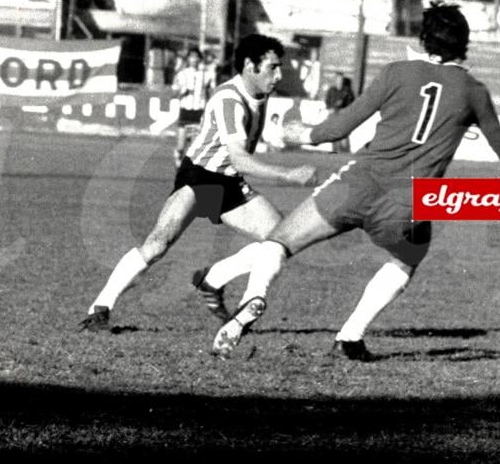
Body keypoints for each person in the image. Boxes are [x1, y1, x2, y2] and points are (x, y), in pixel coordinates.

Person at [210, 3, 500, 361]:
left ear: (424, 40)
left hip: (357, 185)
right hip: (408, 203)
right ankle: (350, 337)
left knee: (280, 241)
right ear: (465, 45)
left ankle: (253, 298)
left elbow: (342, 126)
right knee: (408, 259)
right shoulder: (474, 91)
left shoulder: (397, 73)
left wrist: (302, 135)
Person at [80, 35, 319, 332]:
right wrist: (287, 174)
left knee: (280, 240)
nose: (279, 75)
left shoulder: (258, 92)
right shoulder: (228, 100)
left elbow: (243, 152)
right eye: (272, 67)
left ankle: (214, 278)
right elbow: (240, 158)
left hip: (230, 180)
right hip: (201, 177)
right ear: (249, 65)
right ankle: (100, 308)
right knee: (158, 243)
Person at [173, 47, 210, 164]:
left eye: (196, 57)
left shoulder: (206, 75)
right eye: (191, 57)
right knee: (181, 144)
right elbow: (174, 94)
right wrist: (183, 92)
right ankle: (178, 155)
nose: (194, 59)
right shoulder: (181, 74)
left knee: (195, 145)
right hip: (186, 110)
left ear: (199, 59)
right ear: (188, 59)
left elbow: (210, 94)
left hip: (198, 112)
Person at [323, 72, 355, 153]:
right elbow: (327, 102)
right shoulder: (331, 90)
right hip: (333, 115)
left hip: (343, 116)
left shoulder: (347, 91)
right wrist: (330, 108)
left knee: (343, 135)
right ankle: (334, 151)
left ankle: (345, 152)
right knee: (333, 134)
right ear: (335, 80)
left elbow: (351, 103)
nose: (339, 81)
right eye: (338, 79)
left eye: (341, 79)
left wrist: (343, 109)